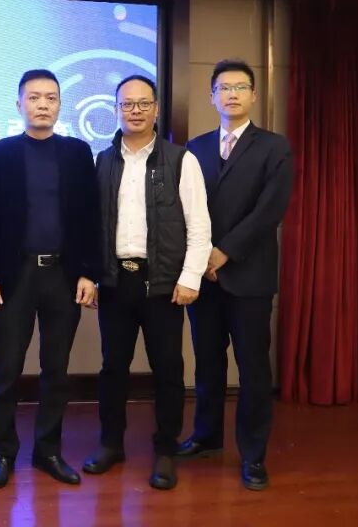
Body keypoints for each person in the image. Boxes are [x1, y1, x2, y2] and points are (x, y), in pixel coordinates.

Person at [82, 74, 211, 491]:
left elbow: (199, 225)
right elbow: (94, 225)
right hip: (117, 281)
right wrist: (94, 274)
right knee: (113, 368)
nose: (134, 111)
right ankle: (111, 444)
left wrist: (190, 277)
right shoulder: (103, 161)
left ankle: (166, 450)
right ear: (116, 110)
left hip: (164, 285)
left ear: (156, 108)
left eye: (143, 103)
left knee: (168, 369)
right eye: (127, 104)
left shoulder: (181, 160)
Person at [0, 69, 102, 489]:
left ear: (60, 104)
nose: (43, 104)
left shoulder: (77, 153)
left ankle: (48, 450)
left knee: (57, 370)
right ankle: (2, 452)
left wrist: (89, 272)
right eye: (34, 97)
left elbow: (90, 217)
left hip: (63, 276)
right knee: (7, 370)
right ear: (19, 105)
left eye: (51, 97)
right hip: (15, 276)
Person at [177, 59, 294, 491]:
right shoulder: (195, 148)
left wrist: (223, 251)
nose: (232, 94)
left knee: (252, 370)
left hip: (249, 277)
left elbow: (270, 210)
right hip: (203, 277)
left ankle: (253, 455)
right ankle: (206, 436)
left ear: (253, 95)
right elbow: (184, 208)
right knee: (207, 363)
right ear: (211, 96)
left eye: (240, 87)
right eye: (223, 88)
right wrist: (199, 259)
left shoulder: (274, 147)